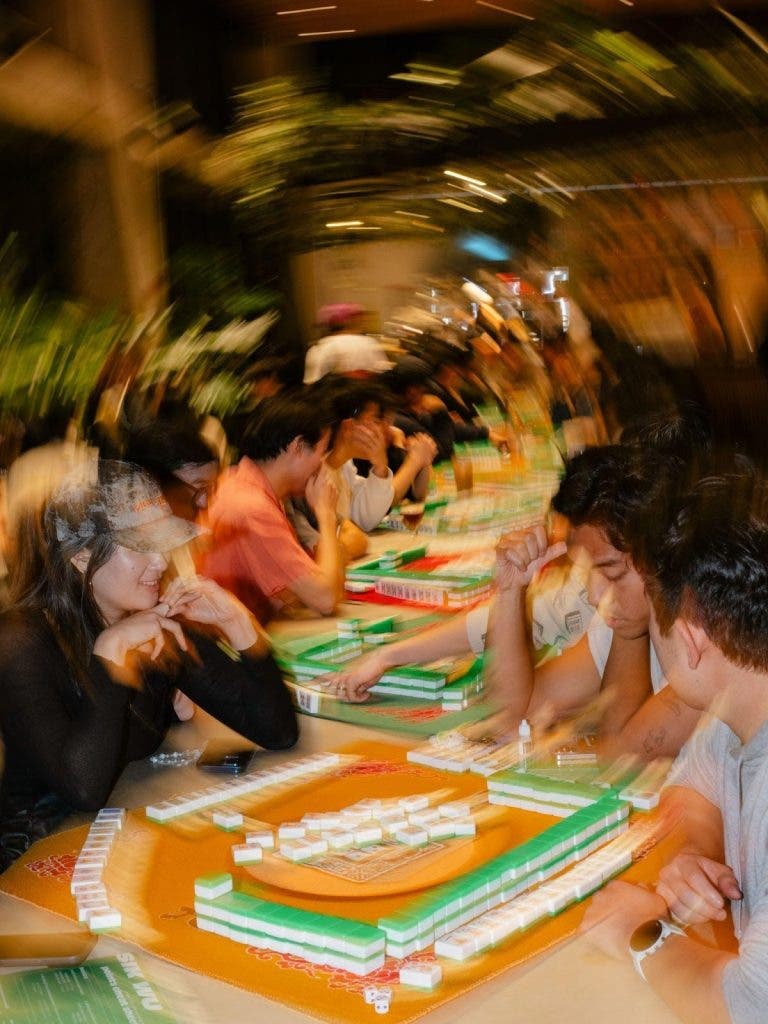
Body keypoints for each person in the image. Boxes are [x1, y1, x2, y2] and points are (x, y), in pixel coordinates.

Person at [0, 461, 297, 871]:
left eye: (163, 543)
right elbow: (83, 790)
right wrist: (110, 657)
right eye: (141, 547)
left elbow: (277, 731)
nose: (160, 563)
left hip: (118, 841)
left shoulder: (154, 625)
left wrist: (239, 626)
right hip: (32, 859)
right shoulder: (20, 642)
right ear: (83, 556)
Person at [323, 443, 701, 761]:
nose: (594, 592)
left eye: (612, 572)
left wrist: (629, 633)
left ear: (663, 556)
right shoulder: (622, 612)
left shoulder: (703, 642)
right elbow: (516, 713)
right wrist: (509, 589)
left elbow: (620, 751)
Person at [581, 471, 768, 1024]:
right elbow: (690, 789)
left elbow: (749, 1005)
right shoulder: (737, 706)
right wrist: (695, 856)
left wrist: (644, 934)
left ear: (689, 641)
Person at [204, 391, 342, 622]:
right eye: (322, 451)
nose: (322, 464)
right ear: (297, 447)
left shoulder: (240, 482)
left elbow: (287, 594)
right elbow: (325, 598)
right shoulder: (251, 507)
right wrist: (327, 516)